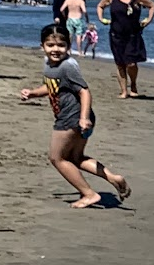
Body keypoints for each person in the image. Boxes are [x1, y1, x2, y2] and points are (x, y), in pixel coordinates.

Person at [18, 22, 131, 209]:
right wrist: (33, 93)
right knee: (76, 157)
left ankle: (89, 194)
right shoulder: (49, 63)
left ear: (68, 46)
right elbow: (53, 86)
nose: (56, 49)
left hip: (73, 117)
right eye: (50, 45)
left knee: (57, 158)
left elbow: (84, 91)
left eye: (61, 45)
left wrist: (84, 118)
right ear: (42, 46)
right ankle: (112, 177)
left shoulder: (68, 66)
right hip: (74, 116)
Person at [103, 0, 154, 97]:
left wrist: (148, 20)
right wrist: (100, 18)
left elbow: (152, 5)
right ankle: (123, 91)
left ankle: (133, 84)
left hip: (132, 35)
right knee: (120, 63)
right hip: (115, 34)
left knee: (131, 63)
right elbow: (100, 5)